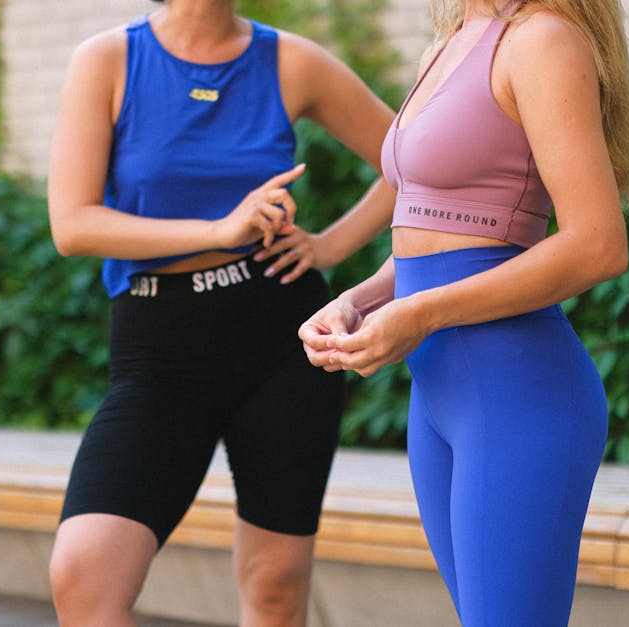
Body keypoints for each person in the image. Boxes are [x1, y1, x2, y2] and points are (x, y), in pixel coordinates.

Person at [46, 0, 397, 624]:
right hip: (158, 352)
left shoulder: (291, 60)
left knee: (276, 587)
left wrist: (332, 245)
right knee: (84, 575)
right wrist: (218, 229)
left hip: (279, 341)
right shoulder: (108, 59)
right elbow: (73, 225)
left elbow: (411, 160)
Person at [299, 0, 629, 625]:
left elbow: (598, 243)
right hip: (438, 399)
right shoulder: (457, 36)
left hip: (516, 393)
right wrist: (357, 299)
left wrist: (422, 314)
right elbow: (431, 233)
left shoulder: (543, 40)